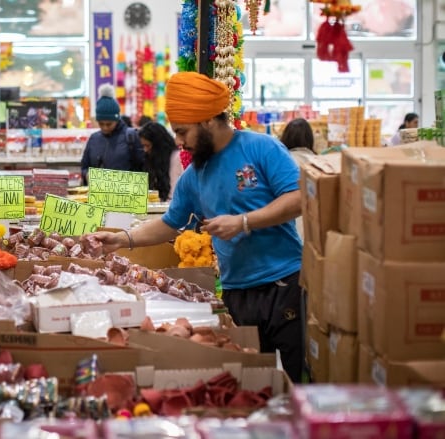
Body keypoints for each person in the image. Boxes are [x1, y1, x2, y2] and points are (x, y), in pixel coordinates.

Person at [85, 72, 305, 382]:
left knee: (290, 379)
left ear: (208, 121)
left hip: (282, 285)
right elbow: (168, 224)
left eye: (183, 131)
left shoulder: (261, 148)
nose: (178, 141)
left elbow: (298, 198)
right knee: (253, 383)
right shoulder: (195, 175)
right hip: (236, 293)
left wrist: (244, 222)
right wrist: (122, 239)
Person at [80, 84, 145, 184]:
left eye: (109, 124)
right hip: (99, 195)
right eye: (101, 124)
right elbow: (84, 166)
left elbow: (142, 168)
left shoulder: (131, 137)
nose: (105, 127)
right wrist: (87, 174)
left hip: (125, 194)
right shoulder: (94, 139)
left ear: (117, 119)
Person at [137, 122, 183, 202]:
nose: (145, 150)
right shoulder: (151, 159)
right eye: (143, 146)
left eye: (148, 145)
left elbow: (173, 194)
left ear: (158, 145)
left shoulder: (176, 158)